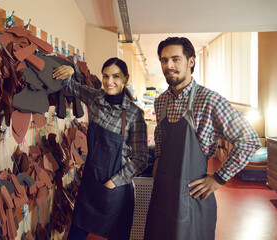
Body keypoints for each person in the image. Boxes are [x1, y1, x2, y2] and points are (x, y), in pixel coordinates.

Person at [144, 37, 261, 240]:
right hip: (162, 194)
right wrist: (157, 160)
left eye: (175, 59)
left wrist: (219, 178)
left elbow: (249, 140)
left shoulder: (210, 100)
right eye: (164, 60)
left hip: (191, 196)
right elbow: (160, 136)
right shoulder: (161, 101)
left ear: (191, 61)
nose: (168, 66)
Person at [53, 57, 148, 240]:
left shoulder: (134, 114)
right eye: (105, 76)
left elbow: (140, 159)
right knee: (76, 233)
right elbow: (69, 86)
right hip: (90, 184)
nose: (109, 82)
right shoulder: (96, 99)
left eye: (116, 76)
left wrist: (113, 182)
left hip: (116, 191)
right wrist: (72, 70)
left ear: (126, 78)